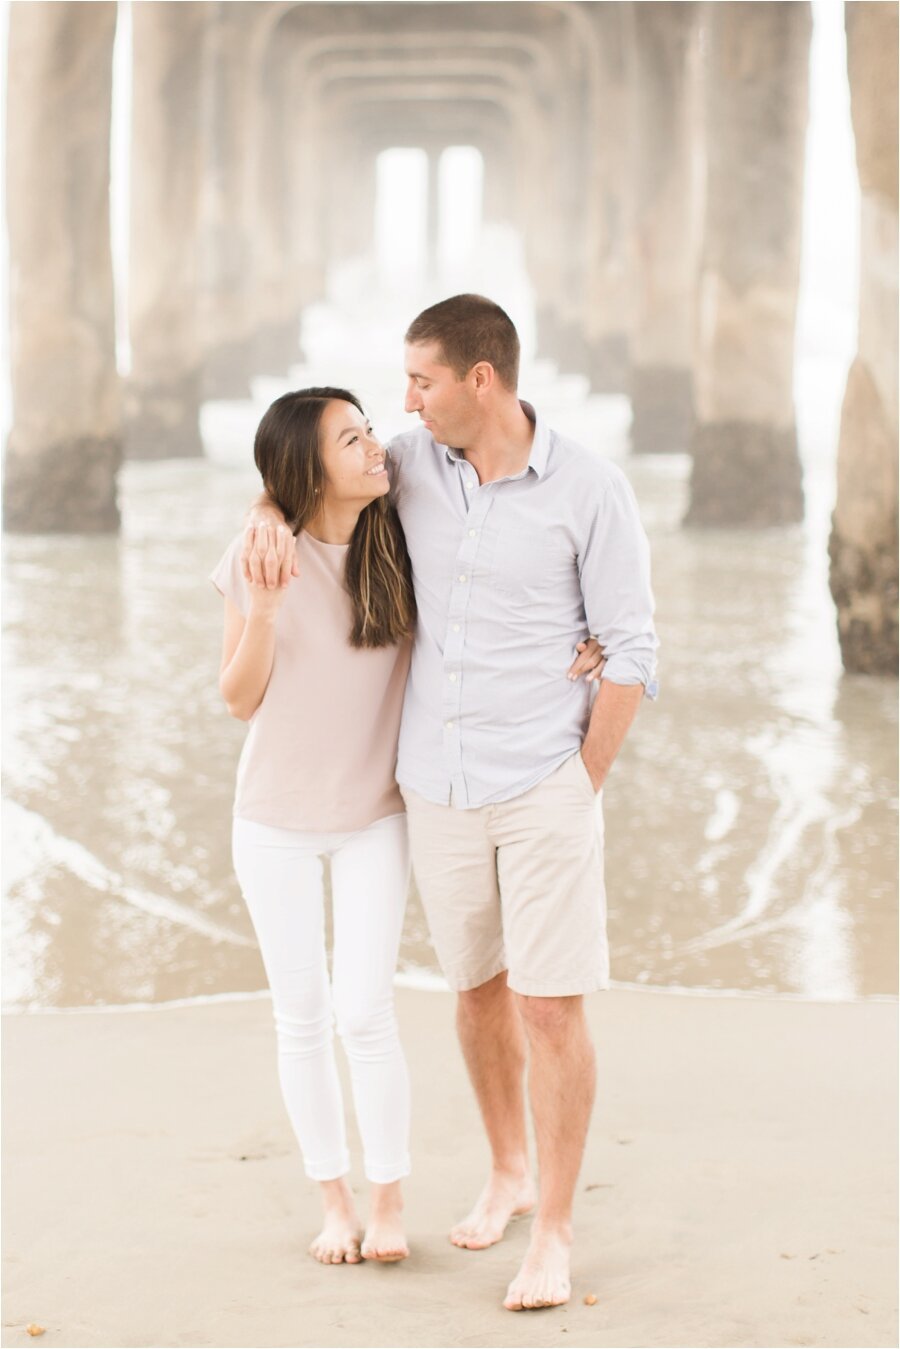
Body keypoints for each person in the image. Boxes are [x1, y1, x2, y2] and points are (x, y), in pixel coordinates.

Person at [247, 294, 658, 1311]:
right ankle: (508, 1168)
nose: (406, 401)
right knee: (477, 989)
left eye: (422, 380)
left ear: (483, 380)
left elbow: (634, 647)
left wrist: (581, 777)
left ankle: (553, 1230)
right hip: (435, 785)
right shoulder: (409, 462)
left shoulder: (591, 489)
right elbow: (309, 474)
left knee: (549, 1005)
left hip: (544, 783)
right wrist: (262, 515)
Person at [211, 387, 418, 1266]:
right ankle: (334, 1203)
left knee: (366, 1009)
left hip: (375, 814)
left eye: (369, 428)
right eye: (351, 438)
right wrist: (261, 613)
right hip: (275, 822)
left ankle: (389, 1201)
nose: (375, 446)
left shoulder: (401, 533)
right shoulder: (261, 554)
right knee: (303, 1015)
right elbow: (238, 698)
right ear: (308, 467)